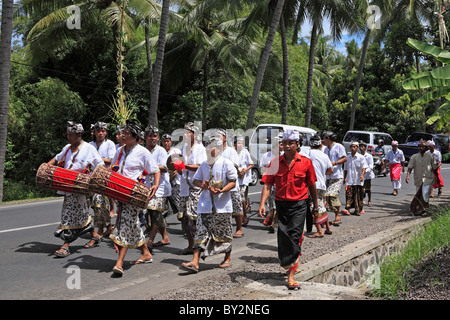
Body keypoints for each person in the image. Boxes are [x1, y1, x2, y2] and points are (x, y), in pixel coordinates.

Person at [258, 129, 318, 290]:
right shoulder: (275, 163)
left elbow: (312, 185)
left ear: (297, 145)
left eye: (291, 143)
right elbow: (268, 184)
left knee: (295, 236)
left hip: (299, 204)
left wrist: (316, 206)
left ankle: (291, 274)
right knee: (283, 237)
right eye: (284, 143)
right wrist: (262, 203)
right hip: (281, 205)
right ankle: (289, 262)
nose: (287, 146)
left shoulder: (306, 162)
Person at [109, 120, 160, 276]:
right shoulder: (119, 151)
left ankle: (119, 263)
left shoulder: (143, 152)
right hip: (120, 194)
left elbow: (155, 170)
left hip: (134, 194)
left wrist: (155, 186)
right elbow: (112, 169)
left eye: (125, 133)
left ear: (134, 136)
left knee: (125, 223)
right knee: (132, 224)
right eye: (122, 132)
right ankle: (146, 253)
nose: (122, 135)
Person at [180, 136, 237, 273]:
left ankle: (227, 257)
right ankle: (195, 261)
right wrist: (203, 185)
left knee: (223, 232)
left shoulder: (226, 163)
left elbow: (233, 181)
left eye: (210, 147)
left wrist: (222, 190)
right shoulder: (204, 165)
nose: (207, 150)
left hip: (222, 205)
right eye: (206, 147)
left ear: (217, 149)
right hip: (205, 205)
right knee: (200, 231)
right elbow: (195, 181)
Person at [48, 121, 105, 258]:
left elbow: (100, 165)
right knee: (81, 214)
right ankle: (94, 235)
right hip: (67, 187)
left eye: (71, 135)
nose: (68, 137)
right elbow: (56, 159)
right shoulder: (67, 148)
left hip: (81, 188)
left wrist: (93, 182)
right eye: (67, 134)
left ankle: (65, 245)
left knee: (69, 215)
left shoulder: (89, 149)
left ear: (79, 135)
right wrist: (45, 167)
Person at [177, 122, 207, 255]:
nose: (185, 134)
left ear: (194, 135)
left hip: (196, 187)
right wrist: (178, 168)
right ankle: (190, 246)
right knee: (184, 219)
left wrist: (185, 166)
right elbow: (182, 166)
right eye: (184, 132)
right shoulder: (184, 147)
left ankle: (198, 247)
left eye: (187, 132)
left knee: (194, 218)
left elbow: (201, 166)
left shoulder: (200, 148)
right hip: (184, 187)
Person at [144, 125, 171, 249]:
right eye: (150, 136)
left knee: (155, 212)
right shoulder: (143, 150)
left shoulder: (161, 150)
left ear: (158, 138)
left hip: (160, 187)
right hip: (146, 186)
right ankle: (165, 237)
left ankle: (150, 241)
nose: (152, 138)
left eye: (154, 136)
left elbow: (165, 168)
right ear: (145, 138)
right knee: (154, 213)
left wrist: (149, 167)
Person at [89, 121, 116, 241]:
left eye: (103, 131)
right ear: (94, 132)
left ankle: (100, 229)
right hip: (91, 177)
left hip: (104, 177)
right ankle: (109, 226)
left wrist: (97, 159)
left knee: (99, 202)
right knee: (96, 205)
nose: (100, 133)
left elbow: (111, 160)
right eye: (98, 131)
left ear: (106, 132)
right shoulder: (90, 145)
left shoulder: (110, 144)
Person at [215, 129, 244, 238]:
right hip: (219, 184)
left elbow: (234, 167)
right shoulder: (215, 150)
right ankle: (222, 229)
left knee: (236, 207)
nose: (217, 139)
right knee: (221, 208)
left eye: (219, 136)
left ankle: (239, 228)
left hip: (231, 184)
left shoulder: (230, 151)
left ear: (225, 138)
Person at [307, 134, 333, 238]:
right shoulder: (324, 155)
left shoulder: (308, 153)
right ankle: (328, 228)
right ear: (320, 145)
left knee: (314, 206)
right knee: (321, 205)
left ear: (310, 144)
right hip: (322, 184)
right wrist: (322, 174)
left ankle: (319, 231)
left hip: (313, 184)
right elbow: (331, 170)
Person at [406, 140, 438, 215]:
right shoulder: (414, 157)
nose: (421, 148)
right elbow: (410, 168)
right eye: (420, 146)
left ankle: (424, 210)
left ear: (426, 148)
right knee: (418, 195)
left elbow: (434, 168)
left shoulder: (430, 157)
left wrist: (438, 178)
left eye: (423, 146)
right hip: (418, 179)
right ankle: (419, 209)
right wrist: (407, 176)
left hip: (428, 178)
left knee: (425, 194)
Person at [322, 131, 347, 226]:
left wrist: (335, 163)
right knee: (326, 197)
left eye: (324, 138)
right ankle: (323, 218)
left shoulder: (339, 147)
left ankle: (338, 215)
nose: (323, 140)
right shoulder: (325, 149)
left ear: (328, 138)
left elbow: (344, 158)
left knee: (331, 195)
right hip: (328, 176)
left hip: (337, 176)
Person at [259, 136, 282, 232]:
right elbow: (262, 169)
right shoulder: (266, 156)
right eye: (281, 144)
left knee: (277, 206)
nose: (283, 146)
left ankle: (275, 224)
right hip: (270, 186)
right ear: (276, 145)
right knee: (272, 206)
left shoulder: (284, 155)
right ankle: (273, 222)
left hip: (280, 187)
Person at [342, 141, 368, 216]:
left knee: (358, 195)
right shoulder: (348, 158)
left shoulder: (361, 157)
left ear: (357, 148)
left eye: (354, 147)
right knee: (348, 194)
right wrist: (345, 178)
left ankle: (358, 210)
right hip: (350, 180)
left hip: (358, 180)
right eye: (351, 147)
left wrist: (362, 175)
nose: (353, 148)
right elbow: (345, 169)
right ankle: (348, 209)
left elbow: (364, 168)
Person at [234, 136, 254, 228]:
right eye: (238, 143)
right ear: (234, 144)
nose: (240, 145)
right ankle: (240, 215)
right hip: (235, 179)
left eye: (242, 143)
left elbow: (251, 164)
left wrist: (245, 171)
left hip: (243, 179)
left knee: (241, 198)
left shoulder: (245, 152)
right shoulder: (232, 152)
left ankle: (244, 215)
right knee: (237, 199)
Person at [161, 133, 182, 220]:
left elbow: (181, 163)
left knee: (178, 202)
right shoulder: (161, 152)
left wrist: (177, 170)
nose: (166, 143)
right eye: (164, 141)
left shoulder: (176, 151)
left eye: (167, 141)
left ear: (171, 142)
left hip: (175, 181)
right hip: (164, 181)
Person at [359, 141, 375, 207]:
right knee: (361, 188)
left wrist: (366, 170)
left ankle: (369, 200)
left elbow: (371, 165)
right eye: (360, 146)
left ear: (365, 148)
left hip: (367, 174)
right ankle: (361, 200)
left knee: (368, 188)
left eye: (362, 146)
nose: (361, 148)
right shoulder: (358, 156)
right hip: (361, 174)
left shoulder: (369, 156)